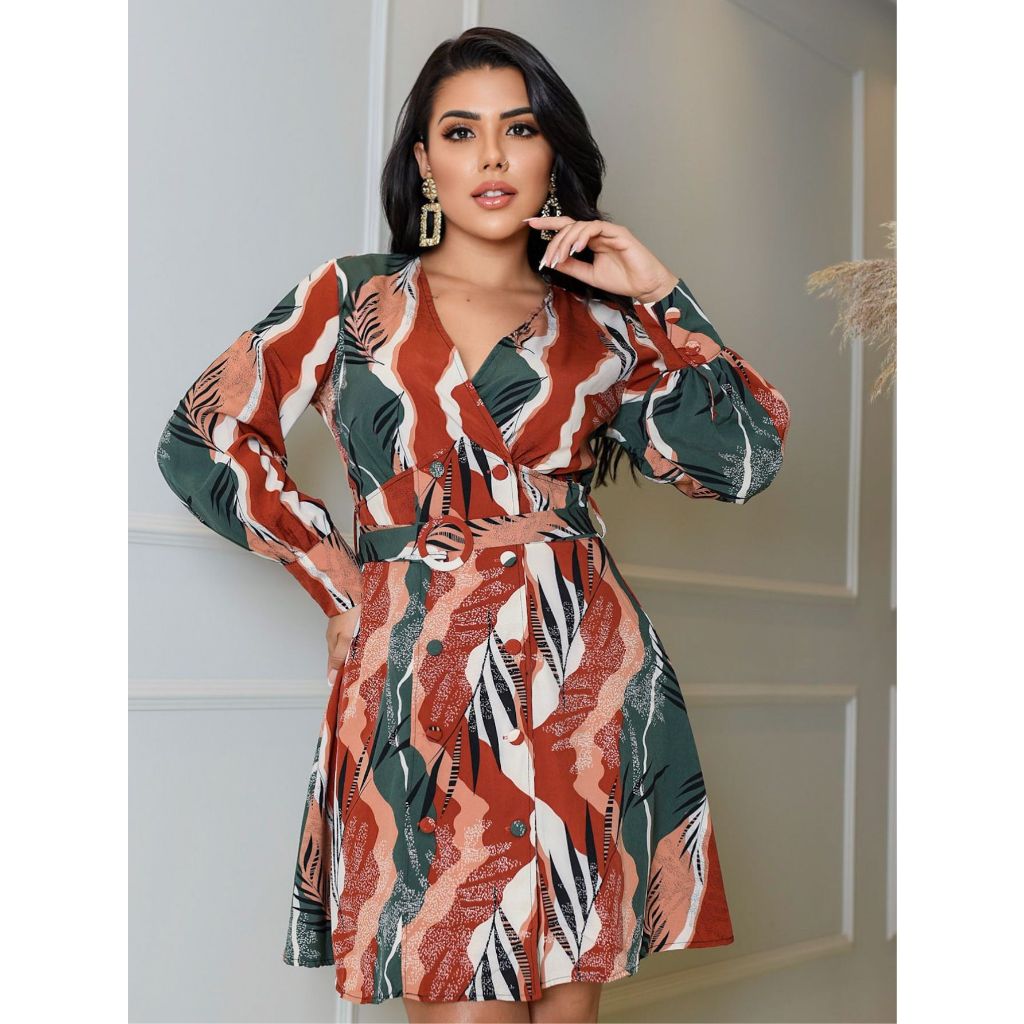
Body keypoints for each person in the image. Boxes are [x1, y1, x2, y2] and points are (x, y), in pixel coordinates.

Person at [155, 26, 790, 1024]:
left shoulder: (603, 321)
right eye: (461, 132)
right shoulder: (351, 295)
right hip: (421, 672)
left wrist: (660, 293)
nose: (491, 156)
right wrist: (337, 580)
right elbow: (204, 436)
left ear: (551, 153)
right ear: (425, 161)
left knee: (566, 1009)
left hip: (582, 674)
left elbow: (740, 459)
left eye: (518, 129)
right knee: (459, 989)